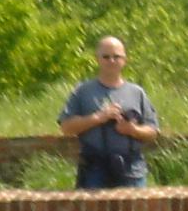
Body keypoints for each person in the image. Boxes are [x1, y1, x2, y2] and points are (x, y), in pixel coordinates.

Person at [58, 36, 159, 189]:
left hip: (132, 170)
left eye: (116, 57)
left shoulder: (137, 93)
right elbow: (66, 127)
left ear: (124, 60)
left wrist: (132, 130)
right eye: (106, 57)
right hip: (94, 171)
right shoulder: (83, 91)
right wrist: (98, 117)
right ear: (97, 59)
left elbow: (153, 132)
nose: (111, 61)